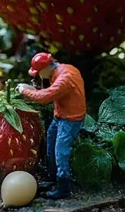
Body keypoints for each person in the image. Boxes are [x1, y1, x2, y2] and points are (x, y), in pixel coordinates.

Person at [17, 52, 86, 199]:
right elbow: (49, 93)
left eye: (38, 72)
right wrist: (32, 89)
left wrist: (25, 91)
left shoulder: (65, 78)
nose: (38, 75)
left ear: (46, 68)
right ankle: (52, 178)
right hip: (60, 116)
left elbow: (45, 97)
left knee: (61, 152)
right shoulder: (60, 70)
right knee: (50, 145)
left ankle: (63, 187)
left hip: (70, 120)